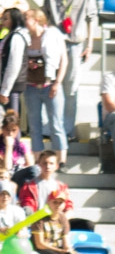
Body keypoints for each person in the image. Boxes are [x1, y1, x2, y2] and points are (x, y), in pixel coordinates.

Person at [43, 0, 96, 141]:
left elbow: (92, 19)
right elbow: (44, 17)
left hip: (74, 43)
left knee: (70, 88)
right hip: (54, 43)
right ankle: (50, 126)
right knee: (50, 83)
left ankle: (67, 130)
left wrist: (89, 45)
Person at [22, 10, 68, 170]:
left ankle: (61, 159)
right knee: (34, 125)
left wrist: (57, 82)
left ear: (36, 20)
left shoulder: (53, 35)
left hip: (51, 84)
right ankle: (37, 159)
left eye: (26, 18)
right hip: (31, 86)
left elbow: (64, 60)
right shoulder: (25, 38)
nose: (24, 21)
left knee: (56, 123)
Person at [31, 190, 83, 254]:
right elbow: (39, 244)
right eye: (55, 202)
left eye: (60, 203)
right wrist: (60, 251)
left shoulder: (63, 218)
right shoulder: (40, 218)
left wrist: (68, 250)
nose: (58, 205)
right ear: (48, 203)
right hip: (42, 249)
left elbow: (65, 242)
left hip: (58, 247)